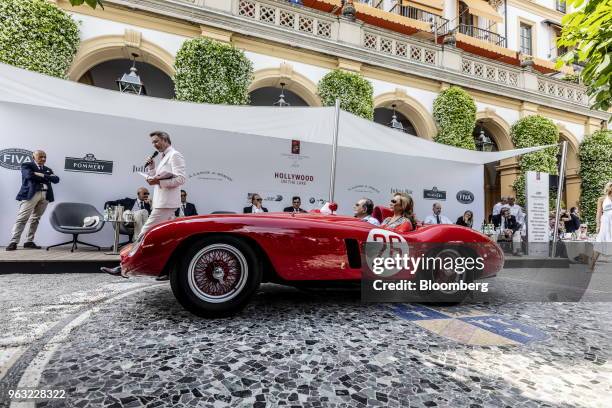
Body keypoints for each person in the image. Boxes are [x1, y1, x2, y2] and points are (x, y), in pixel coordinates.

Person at [102, 131, 186, 279]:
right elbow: (156, 178)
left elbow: (181, 179)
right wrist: (151, 168)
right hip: (162, 203)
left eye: (156, 141)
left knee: (143, 233)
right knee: (167, 240)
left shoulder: (175, 155)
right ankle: (167, 271)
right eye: (153, 143)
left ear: (165, 140)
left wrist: (160, 181)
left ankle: (122, 268)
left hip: (166, 204)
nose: (154, 145)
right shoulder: (163, 157)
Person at [6, 150, 60, 251]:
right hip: (31, 194)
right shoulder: (27, 165)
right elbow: (29, 176)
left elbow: (56, 180)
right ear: (33, 157)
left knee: (35, 219)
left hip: (45, 195)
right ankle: (13, 242)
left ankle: (29, 241)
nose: (43, 159)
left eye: (45, 157)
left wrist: (41, 175)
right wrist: (48, 177)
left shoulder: (48, 169)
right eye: (40, 157)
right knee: (22, 218)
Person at [590, 181, 612, 271]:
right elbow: (598, 213)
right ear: (609, 188)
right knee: (600, 242)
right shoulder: (602, 199)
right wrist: (598, 225)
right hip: (605, 222)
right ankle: (592, 264)